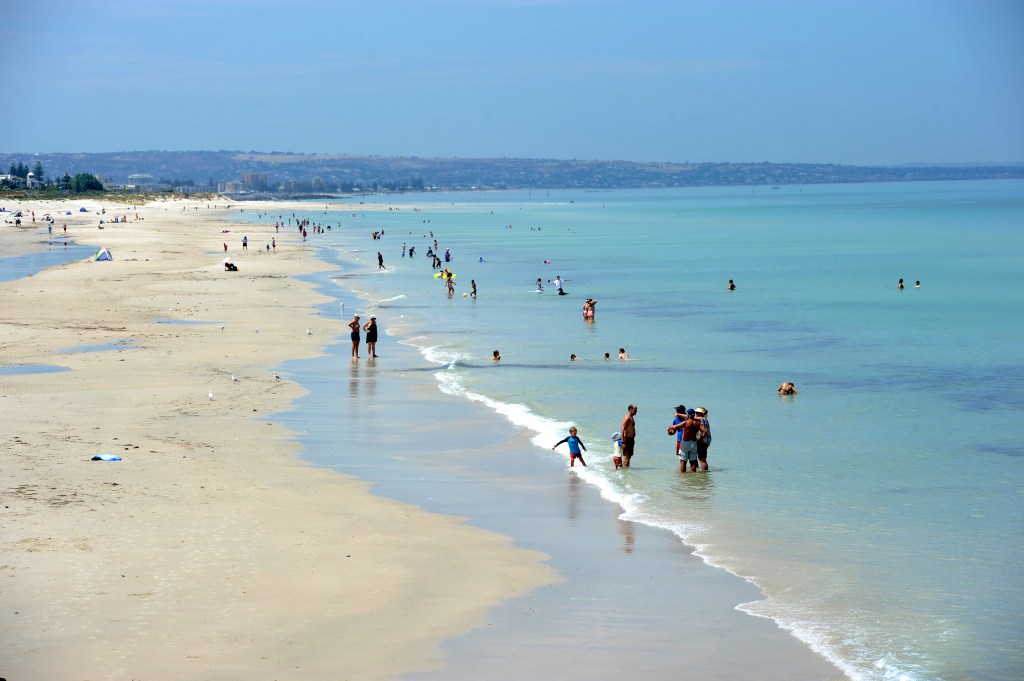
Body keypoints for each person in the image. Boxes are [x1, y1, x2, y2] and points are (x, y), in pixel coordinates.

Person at [668, 408, 700, 473]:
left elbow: (675, 427)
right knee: (693, 461)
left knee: (683, 461)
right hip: (694, 443)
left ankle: (683, 476)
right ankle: (693, 475)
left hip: (685, 442)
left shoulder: (685, 423)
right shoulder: (697, 423)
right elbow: (705, 431)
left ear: (687, 415)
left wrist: (669, 427)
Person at [695, 407, 711, 471]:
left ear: (701, 413)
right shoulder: (704, 419)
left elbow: (704, 431)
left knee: (702, 460)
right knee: (702, 459)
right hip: (704, 441)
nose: (695, 414)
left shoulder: (702, 419)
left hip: (702, 442)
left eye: (697, 413)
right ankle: (704, 475)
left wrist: (700, 439)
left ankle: (704, 474)